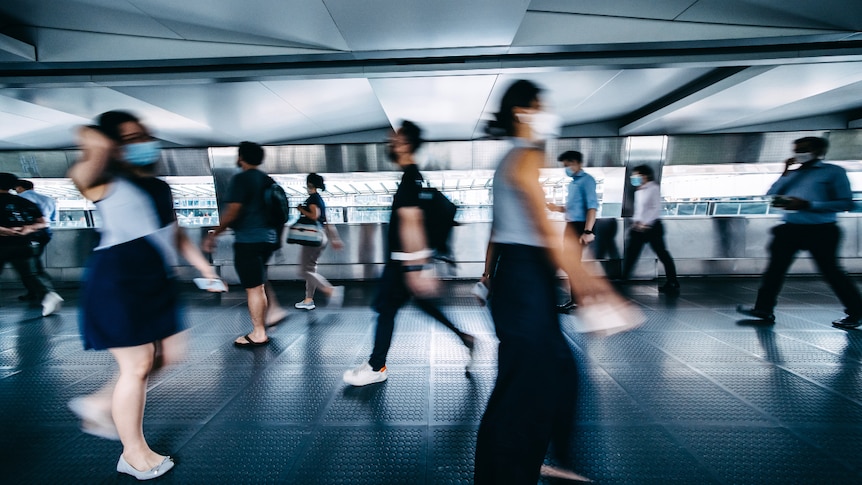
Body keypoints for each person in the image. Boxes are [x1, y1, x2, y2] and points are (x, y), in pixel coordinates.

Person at [474, 80, 626, 484]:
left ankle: (550, 457)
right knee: (522, 388)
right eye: (541, 107)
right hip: (524, 282)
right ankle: (504, 474)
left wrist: (490, 273)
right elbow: (545, 232)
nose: (547, 114)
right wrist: (601, 291)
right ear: (524, 112)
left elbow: (500, 228)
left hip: (523, 280)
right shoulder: (523, 158)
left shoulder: (517, 159)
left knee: (558, 371)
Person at [67, 111, 223, 480]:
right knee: (136, 365)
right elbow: (91, 141)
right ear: (114, 146)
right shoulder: (97, 180)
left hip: (155, 280)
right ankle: (133, 454)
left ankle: (99, 402)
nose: (143, 144)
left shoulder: (158, 186)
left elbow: (175, 234)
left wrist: (204, 267)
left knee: (168, 355)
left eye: (145, 136)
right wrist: (104, 140)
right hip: (118, 280)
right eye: (132, 138)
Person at [343, 120, 476, 386]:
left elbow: (412, 223)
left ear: (406, 145)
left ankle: (377, 366)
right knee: (407, 307)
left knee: (386, 309)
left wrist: (416, 269)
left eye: (396, 138)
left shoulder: (409, 179)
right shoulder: (412, 177)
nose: (390, 142)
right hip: (404, 264)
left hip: (403, 265)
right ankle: (464, 338)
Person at [737, 136, 862, 328]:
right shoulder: (793, 174)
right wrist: (785, 172)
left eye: (804, 149)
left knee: (831, 272)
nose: (799, 153)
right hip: (790, 228)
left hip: (821, 230)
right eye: (797, 150)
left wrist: (808, 204)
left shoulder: (833, 172)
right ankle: (763, 309)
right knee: (775, 270)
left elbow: (846, 203)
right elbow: (771, 194)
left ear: (819, 151)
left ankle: (856, 312)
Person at [203, 141, 287, 346]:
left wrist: (215, 233)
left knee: (253, 287)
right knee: (259, 280)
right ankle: (273, 311)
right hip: (268, 238)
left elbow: (233, 211)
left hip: (248, 240)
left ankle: (259, 333)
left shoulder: (241, 179)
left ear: (241, 158)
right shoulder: (267, 180)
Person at [0, 172, 64, 316]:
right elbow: (43, 222)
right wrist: (27, 228)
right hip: (24, 243)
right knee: (30, 273)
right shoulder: (23, 202)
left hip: (2, 243)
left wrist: (5, 230)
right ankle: (48, 295)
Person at [546, 150, 598, 313]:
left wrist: (587, 230)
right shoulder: (572, 183)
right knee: (571, 263)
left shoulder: (587, 181)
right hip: (571, 225)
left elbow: (592, 207)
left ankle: (582, 297)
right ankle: (580, 297)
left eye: (568, 165)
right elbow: (573, 208)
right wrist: (557, 208)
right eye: (564, 166)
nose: (566, 168)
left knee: (571, 263)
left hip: (580, 226)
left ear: (578, 163)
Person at [620, 164, 680, 293]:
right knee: (631, 254)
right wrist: (636, 223)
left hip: (652, 228)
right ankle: (624, 278)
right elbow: (640, 210)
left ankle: (673, 281)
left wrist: (645, 223)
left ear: (644, 175)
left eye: (636, 175)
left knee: (662, 254)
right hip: (638, 228)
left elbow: (655, 208)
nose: (633, 177)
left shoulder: (653, 188)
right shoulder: (639, 190)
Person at [294, 173, 345, 310]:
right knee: (310, 269)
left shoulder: (313, 199)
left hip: (313, 238)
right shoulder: (319, 199)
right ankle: (308, 300)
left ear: (309, 184)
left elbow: (314, 216)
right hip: (321, 236)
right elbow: (326, 221)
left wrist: (301, 209)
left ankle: (330, 290)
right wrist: (334, 238)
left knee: (304, 271)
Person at [12, 179, 58, 303]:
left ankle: (38, 291)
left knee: (27, 264)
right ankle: (44, 290)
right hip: (45, 233)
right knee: (34, 260)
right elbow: (52, 218)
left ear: (20, 188)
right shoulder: (49, 199)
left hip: (28, 232)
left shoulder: (19, 199)